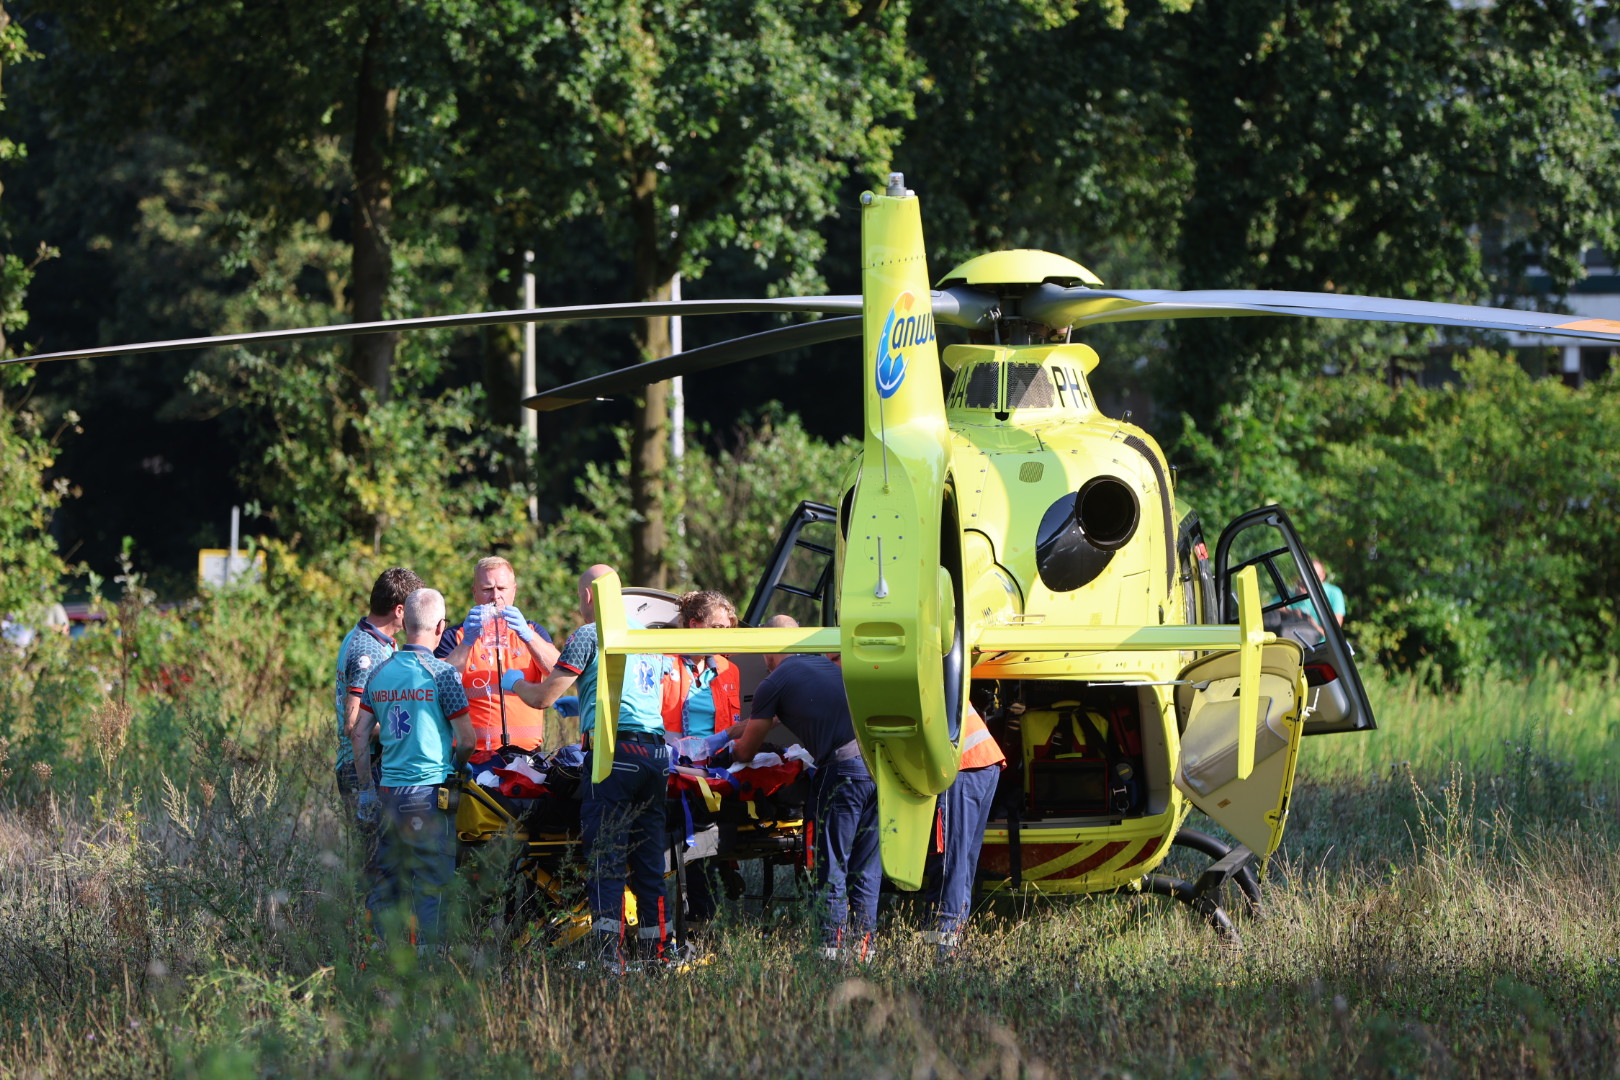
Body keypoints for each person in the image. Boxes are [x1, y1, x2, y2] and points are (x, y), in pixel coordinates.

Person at [505, 565, 675, 971]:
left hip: (612, 753)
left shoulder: (590, 633)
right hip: (654, 757)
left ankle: (606, 957)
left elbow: (545, 697)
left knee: (607, 857)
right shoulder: (649, 639)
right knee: (650, 860)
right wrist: (583, 704)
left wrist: (515, 683)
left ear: (588, 598)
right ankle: (657, 954)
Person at [731, 614, 880, 961]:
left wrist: (727, 744)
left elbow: (747, 750)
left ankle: (830, 948)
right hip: (875, 769)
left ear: (767, 650)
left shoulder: (775, 681)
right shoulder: (826, 666)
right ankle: (863, 949)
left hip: (841, 771)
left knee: (831, 864)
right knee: (866, 865)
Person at [353, 587, 474, 952]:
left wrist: (365, 791)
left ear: (405, 623)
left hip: (388, 793)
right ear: (441, 627)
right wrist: (456, 770)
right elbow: (466, 739)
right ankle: (429, 968)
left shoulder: (380, 672)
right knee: (431, 886)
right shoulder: (442, 675)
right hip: (428, 796)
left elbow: (359, 734)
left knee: (386, 884)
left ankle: (375, 961)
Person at [660, 590, 743, 924]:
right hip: (669, 771)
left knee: (707, 848)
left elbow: (730, 729)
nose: (725, 636)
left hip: (713, 773)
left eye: (729, 629)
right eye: (717, 627)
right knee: (678, 847)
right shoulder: (662, 661)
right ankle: (677, 920)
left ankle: (701, 917)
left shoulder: (728, 670)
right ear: (694, 625)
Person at [435, 556, 559, 752]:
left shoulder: (533, 632)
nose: (495, 596)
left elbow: (560, 673)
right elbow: (440, 686)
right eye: (487, 589)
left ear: (514, 591)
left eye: (502, 588)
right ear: (475, 592)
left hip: (526, 756)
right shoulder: (455, 636)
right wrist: (467, 642)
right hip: (473, 757)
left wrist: (527, 636)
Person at [922, 704, 1006, 958]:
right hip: (982, 761)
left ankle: (942, 948)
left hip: (962, 765)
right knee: (963, 861)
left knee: (949, 860)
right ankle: (953, 939)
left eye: (836, 659)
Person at [334, 567, 423, 801]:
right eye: (415, 610)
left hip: (372, 764)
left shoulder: (380, 641)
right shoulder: (368, 650)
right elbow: (353, 725)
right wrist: (408, 732)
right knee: (372, 838)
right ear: (400, 610)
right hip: (362, 767)